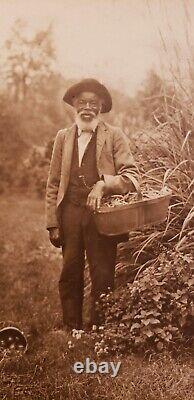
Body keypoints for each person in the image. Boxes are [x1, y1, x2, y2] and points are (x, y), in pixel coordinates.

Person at [45, 78, 139, 331]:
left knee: (103, 273)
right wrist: (52, 223)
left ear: (101, 107)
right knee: (70, 270)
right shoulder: (63, 138)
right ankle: (72, 326)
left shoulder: (114, 136)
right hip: (70, 213)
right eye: (82, 103)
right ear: (74, 105)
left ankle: (100, 327)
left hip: (103, 214)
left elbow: (131, 176)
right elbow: (53, 183)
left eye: (93, 104)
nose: (87, 108)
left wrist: (103, 184)